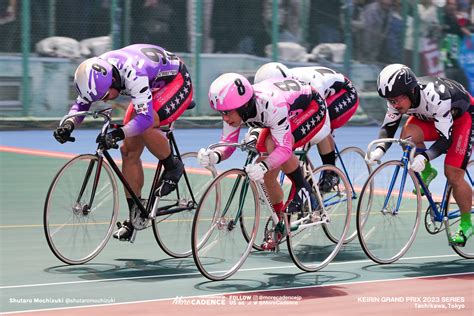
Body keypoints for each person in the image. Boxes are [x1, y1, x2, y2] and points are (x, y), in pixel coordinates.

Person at [53, 44, 193, 242]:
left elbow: (144, 119)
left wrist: (119, 133)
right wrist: (68, 125)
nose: (104, 101)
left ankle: (173, 166)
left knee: (146, 123)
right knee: (128, 151)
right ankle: (135, 215)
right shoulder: (95, 72)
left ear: (113, 81)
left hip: (176, 82)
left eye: (104, 97)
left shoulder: (132, 73)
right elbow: (81, 104)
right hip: (151, 86)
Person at [197, 73, 330, 250]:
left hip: (311, 107)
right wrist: (214, 156)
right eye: (221, 113)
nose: (225, 118)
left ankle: (303, 187)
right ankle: (279, 223)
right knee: (266, 174)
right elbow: (228, 144)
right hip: (282, 114)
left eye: (227, 113)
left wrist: (264, 165)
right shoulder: (236, 107)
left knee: (272, 147)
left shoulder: (271, 105)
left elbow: (284, 148)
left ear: (243, 106)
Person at [368, 63, 473, 245]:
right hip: (434, 118)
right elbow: (388, 127)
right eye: (390, 100)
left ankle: (466, 223)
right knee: (406, 138)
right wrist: (380, 150)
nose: (394, 104)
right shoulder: (398, 99)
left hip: (463, 120)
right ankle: (428, 172)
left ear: (411, 91)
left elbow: (445, 139)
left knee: (453, 174)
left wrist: (425, 157)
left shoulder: (436, 98)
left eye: (397, 100)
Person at [254, 62, 359, 193]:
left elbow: (322, 126)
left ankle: (331, 173)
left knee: (317, 128)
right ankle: (309, 183)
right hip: (314, 93)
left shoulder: (310, 85)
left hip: (342, 93)